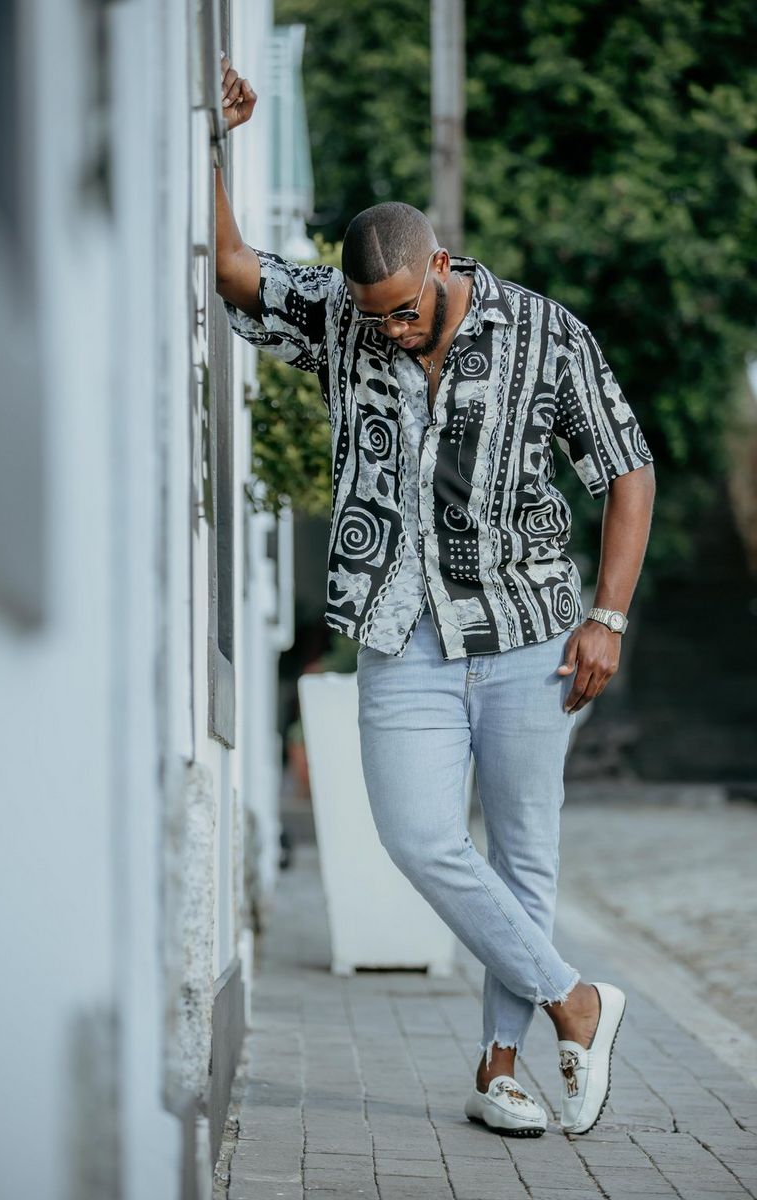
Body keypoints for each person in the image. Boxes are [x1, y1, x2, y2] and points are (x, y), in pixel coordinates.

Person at [215, 58, 656, 1138]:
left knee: (522, 855)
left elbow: (626, 468)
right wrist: (210, 135)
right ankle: (579, 1002)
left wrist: (605, 616)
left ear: (441, 267)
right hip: (399, 629)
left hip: (526, 629)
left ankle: (501, 1068)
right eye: (378, 318)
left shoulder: (545, 333)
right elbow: (231, 270)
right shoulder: (341, 314)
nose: (394, 332)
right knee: (416, 838)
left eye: (407, 312)